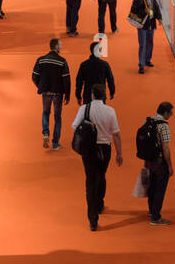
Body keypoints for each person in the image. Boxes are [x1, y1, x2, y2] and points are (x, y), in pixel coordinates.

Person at [74, 83, 122, 231]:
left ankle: (93, 219)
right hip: (104, 150)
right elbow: (116, 134)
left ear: (92, 95)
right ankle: (100, 203)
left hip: (88, 149)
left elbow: (75, 126)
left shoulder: (84, 109)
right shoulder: (110, 111)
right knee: (101, 175)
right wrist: (119, 153)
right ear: (104, 96)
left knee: (90, 181)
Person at [32, 38, 71, 150]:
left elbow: (34, 77)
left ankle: (46, 134)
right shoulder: (62, 61)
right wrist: (67, 95)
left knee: (45, 113)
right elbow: (66, 80)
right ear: (56, 47)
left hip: (45, 92)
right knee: (57, 117)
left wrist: (40, 86)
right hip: (58, 93)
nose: (61, 47)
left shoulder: (41, 60)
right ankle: (55, 143)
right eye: (60, 45)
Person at [142, 101, 174, 225]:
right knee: (160, 188)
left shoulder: (147, 121)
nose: (171, 114)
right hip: (160, 162)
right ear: (165, 112)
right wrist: (169, 165)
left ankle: (151, 210)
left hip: (149, 161)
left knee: (152, 186)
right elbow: (165, 147)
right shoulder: (163, 126)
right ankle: (156, 217)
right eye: (170, 112)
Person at [129, 0, 164, 74]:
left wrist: (159, 18)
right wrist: (143, 12)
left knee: (150, 43)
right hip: (143, 26)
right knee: (142, 45)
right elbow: (133, 10)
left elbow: (156, 7)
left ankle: (148, 60)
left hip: (151, 24)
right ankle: (141, 65)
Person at [75, 41, 116, 105]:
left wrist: (78, 95)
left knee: (87, 110)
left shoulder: (84, 65)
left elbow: (79, 81)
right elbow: (110, 79)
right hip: (101, 95)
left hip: (88, 95)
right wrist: (112, 91)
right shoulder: (105, 64)